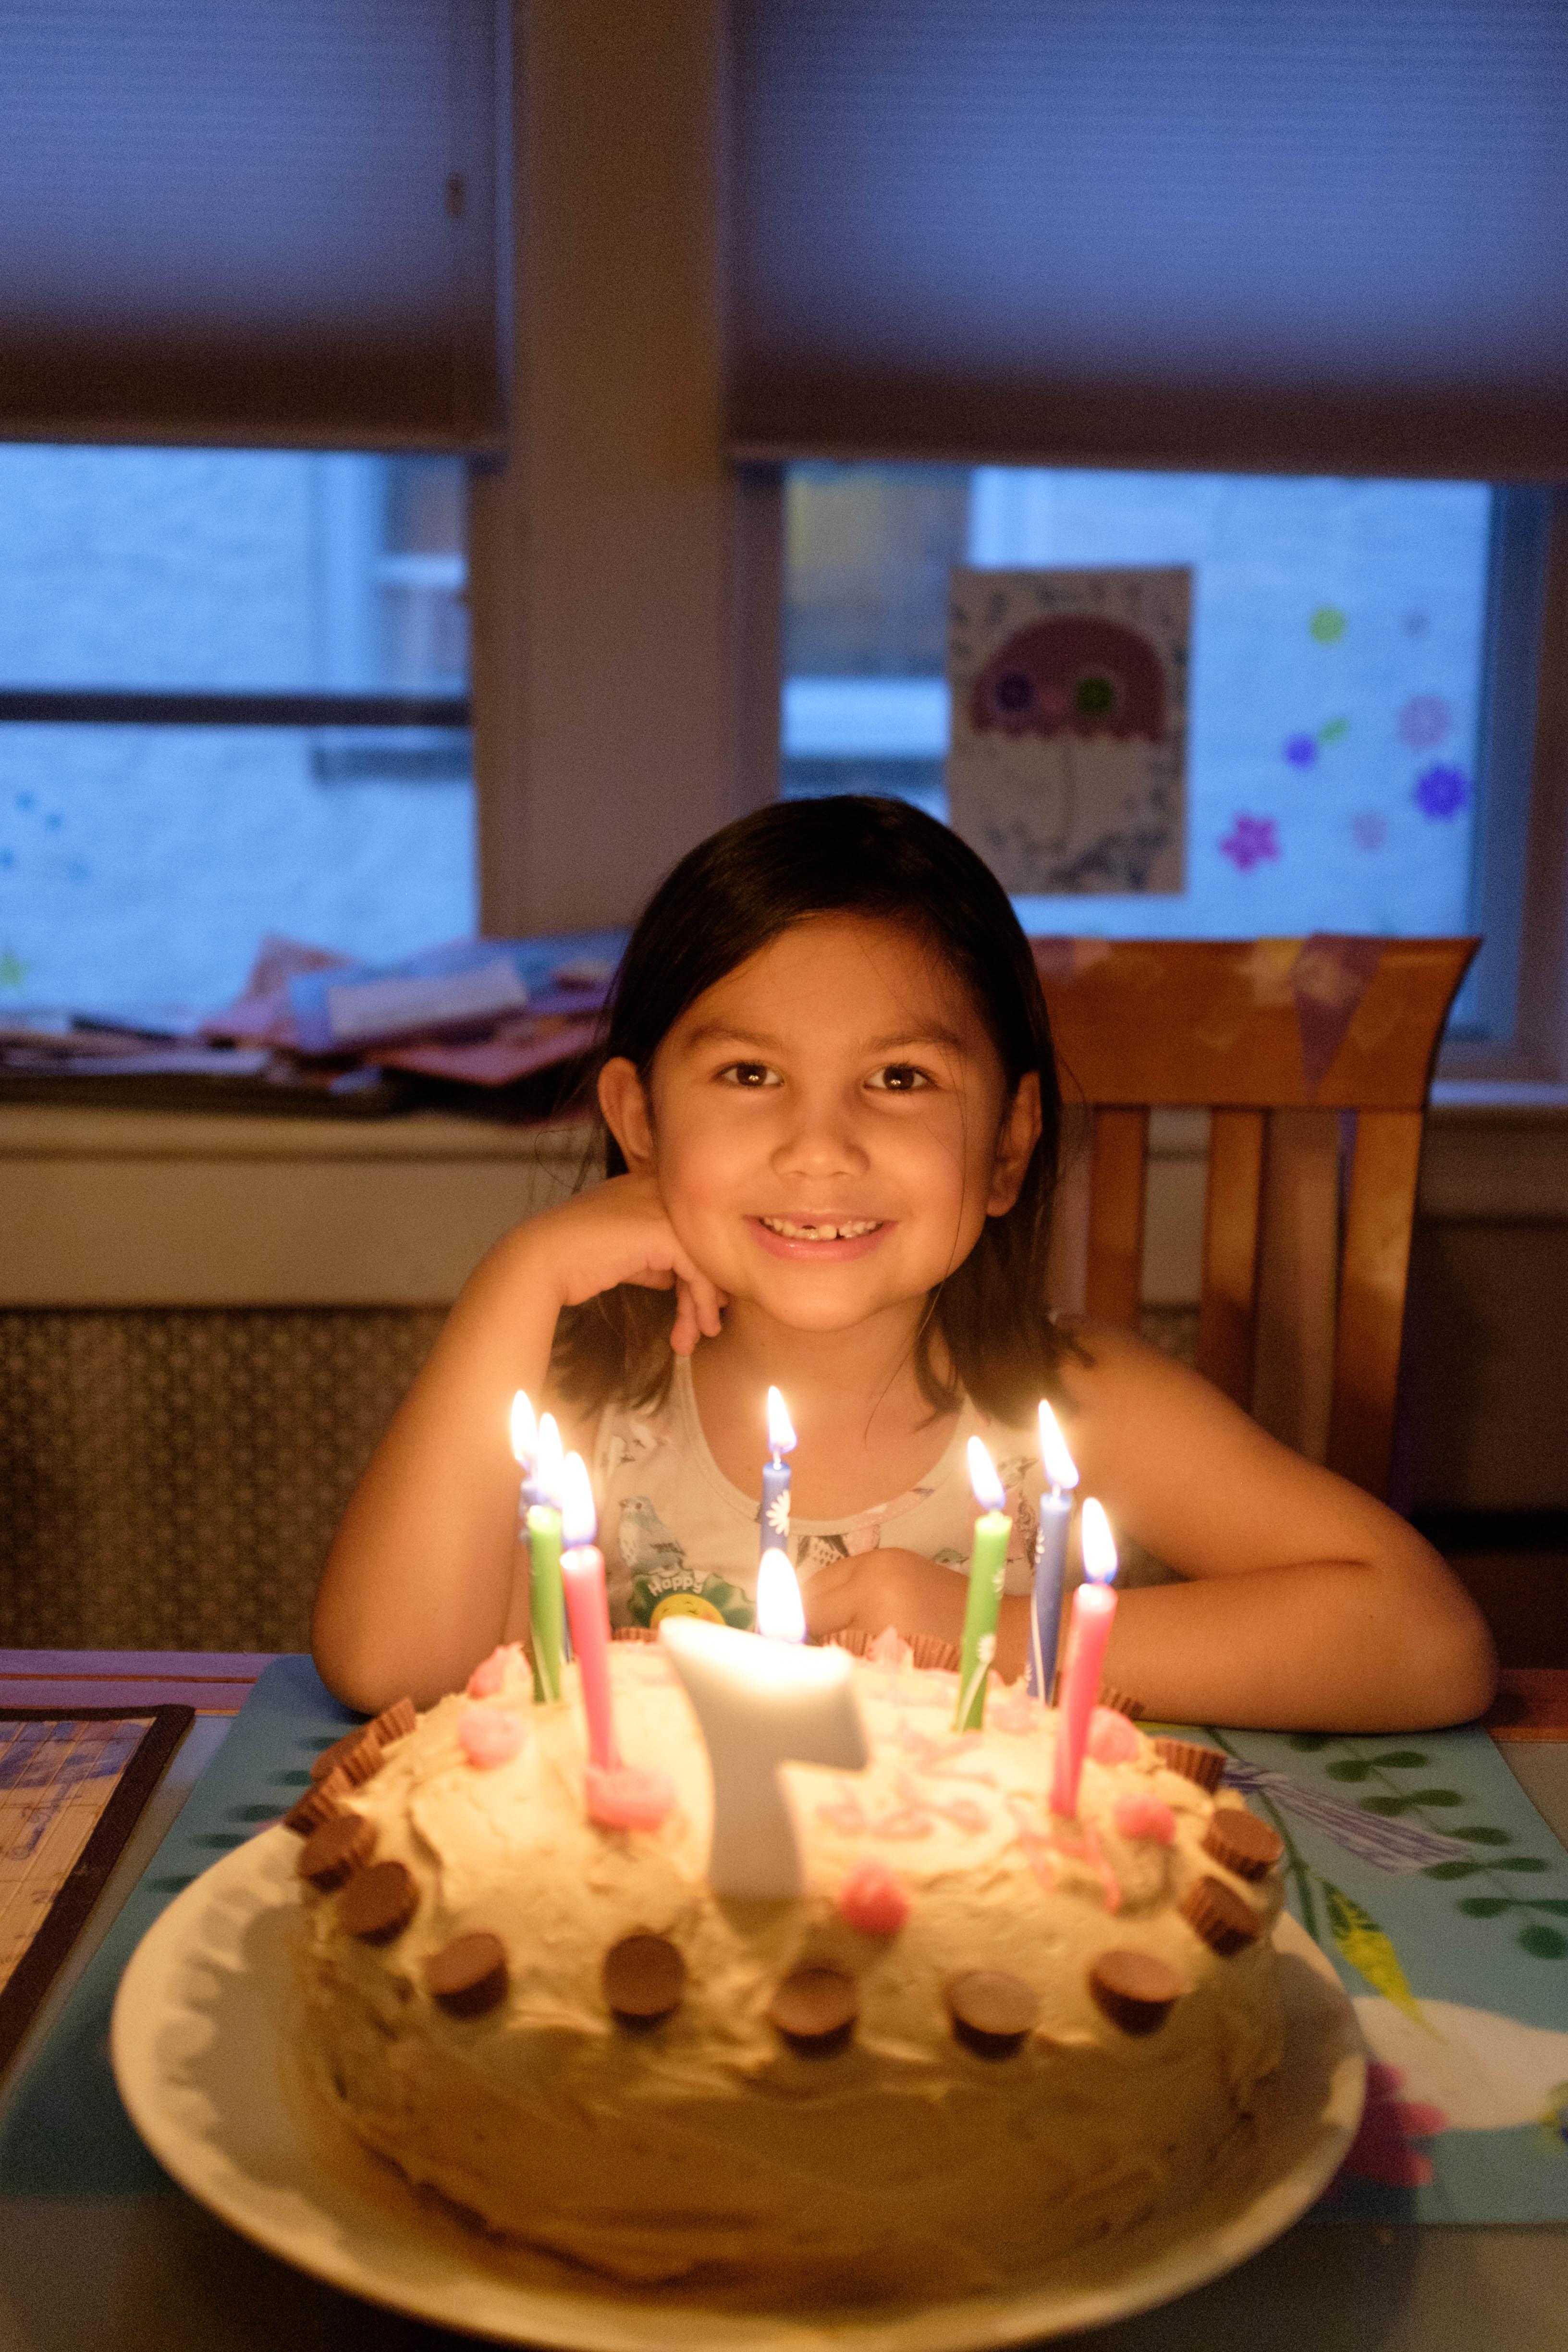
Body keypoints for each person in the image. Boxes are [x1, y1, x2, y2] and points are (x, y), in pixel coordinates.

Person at [313, 796, 1496, 1733]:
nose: (820, 1147)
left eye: (900, 1079)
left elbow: (1425, 1644)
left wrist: (980, 1624)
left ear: (1007, 1147)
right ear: (639, 1120)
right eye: (747, 1075)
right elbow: (387, 1665)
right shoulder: (589, 1408)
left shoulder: (1074, 1407)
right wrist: (520, 1275)